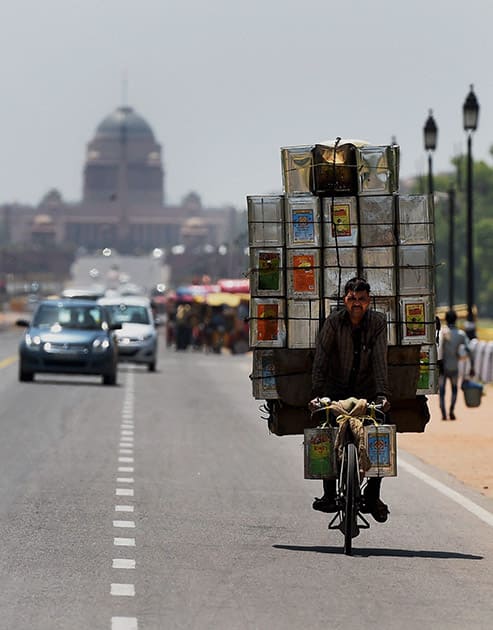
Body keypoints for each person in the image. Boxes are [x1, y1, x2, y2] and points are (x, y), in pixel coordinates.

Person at [310, 277, 391, 523]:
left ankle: (373, 494)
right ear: (345, 300)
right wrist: (317, 394)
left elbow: (379, 360)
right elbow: (321, 358)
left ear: (369, 301)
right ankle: (328, 493)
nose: (357, 304)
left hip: (366, 391)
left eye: (362, 299)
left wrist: (382, 395)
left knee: (381, 433)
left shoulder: (377, 322)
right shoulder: (334, 322)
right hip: (336, 390)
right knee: (324, 432)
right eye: (352, 299)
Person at [437, 309, 473, 420]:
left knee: (442, 392)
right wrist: (471, 365)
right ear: (456, 319)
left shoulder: (443, 332)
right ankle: (451, 410)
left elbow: (437, 347)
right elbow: (469, 349)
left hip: (442, 366)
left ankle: (443, 413)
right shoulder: (461, 334)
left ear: (446, 319)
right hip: (454, 366)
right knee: (454, 390)